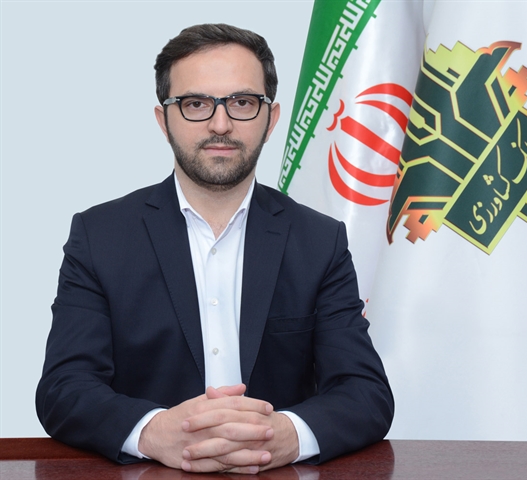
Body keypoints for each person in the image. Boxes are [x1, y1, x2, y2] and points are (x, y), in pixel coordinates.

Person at [36, 23, 394, 474]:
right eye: (196, 104)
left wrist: (286, 435)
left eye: (242, 102)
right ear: (163, 120)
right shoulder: (100, 236)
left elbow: (366, 393)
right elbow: (64, 388)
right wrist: (153, 432)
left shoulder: (319, 241)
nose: (220, 124)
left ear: (271, 119)